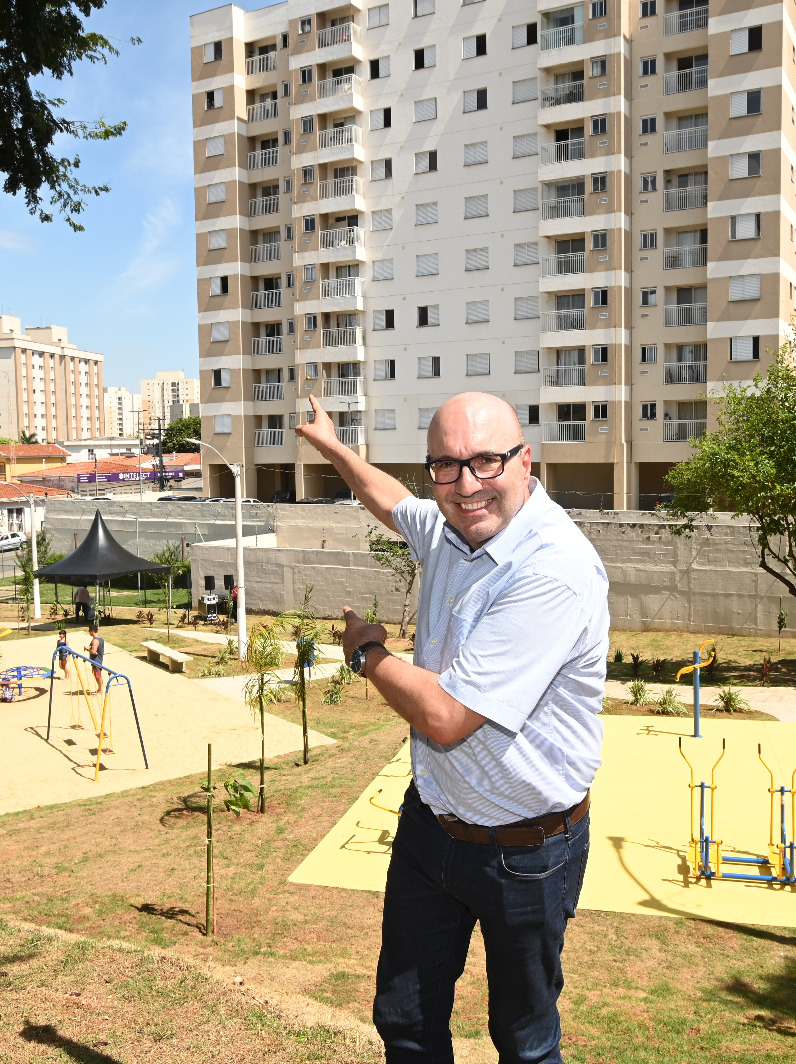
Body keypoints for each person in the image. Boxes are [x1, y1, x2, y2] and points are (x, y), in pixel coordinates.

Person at [293, 392, 607, 1064]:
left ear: (527, 461)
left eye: (486, 462)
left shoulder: (553, 568)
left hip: (527, 852)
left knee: (524, 1042)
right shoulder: (450, 524)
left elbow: (444, 716)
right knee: (405, 1023)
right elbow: (386, 498)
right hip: (432, 831)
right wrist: (332, 445)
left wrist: (367, 653)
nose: (466, 485)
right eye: (445, 466)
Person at [86, 624, 106, 694]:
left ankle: (100, 690)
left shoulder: (95, 641)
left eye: (89, 631)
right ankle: (100, 689)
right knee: (98, 675)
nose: (89, 633)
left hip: (96, 661)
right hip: (98, 660)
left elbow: (94, 651)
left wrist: (88, 649)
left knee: (98, 676)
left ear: (92, 631)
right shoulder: (101, 638)